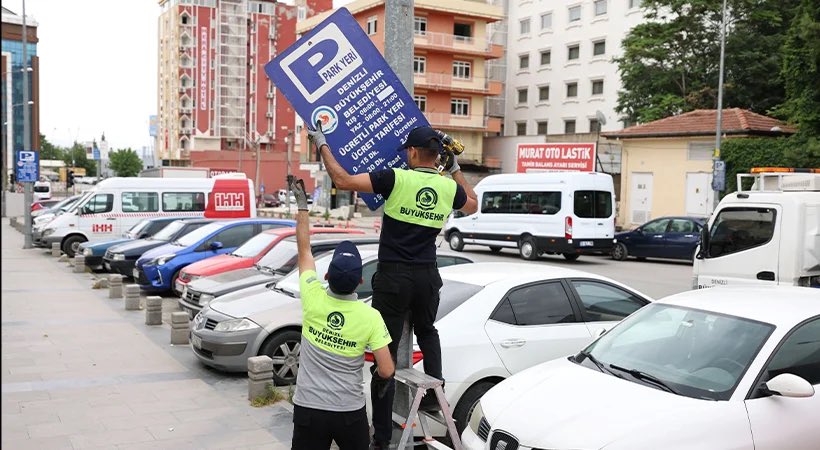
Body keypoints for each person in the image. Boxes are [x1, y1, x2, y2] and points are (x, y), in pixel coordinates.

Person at [307, 124, 478, 448]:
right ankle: (432, 391)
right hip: (427, 276)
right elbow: (473, 203)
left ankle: (382, 439)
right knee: (428, 331)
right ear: (437, 156)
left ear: (413, 153)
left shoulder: (395, 179)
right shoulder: (446, 188)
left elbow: (342, 180)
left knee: (384, 358)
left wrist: (323, 145)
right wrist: (455, 169)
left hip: (394, 278)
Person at [288, 177, 395, 450]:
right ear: (361, 281)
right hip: (349, 411)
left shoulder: (312, 298)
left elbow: (304, 251)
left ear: (326, 276)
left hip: (308, 408)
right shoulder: (370, 317)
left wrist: (303, 207)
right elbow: (386, 369)